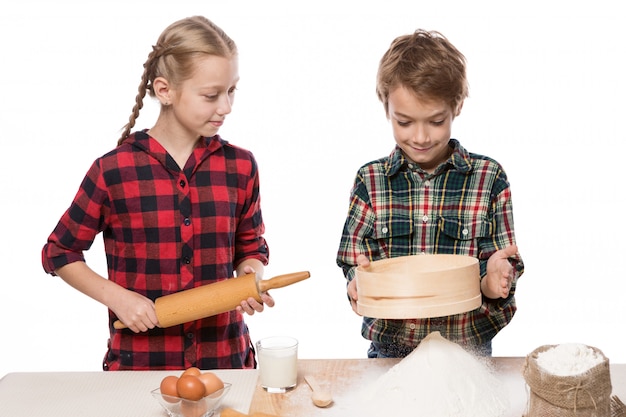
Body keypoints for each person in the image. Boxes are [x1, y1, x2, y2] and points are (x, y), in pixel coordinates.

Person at [42, 16, 273, 370]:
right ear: (164, 90)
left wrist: (249, 276)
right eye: (211, 95)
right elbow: (60, 251)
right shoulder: (113, 171)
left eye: (232, 91)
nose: (226, 107)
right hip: (142, 366)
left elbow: (251, 245)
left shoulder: (240, 166)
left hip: (226, 362)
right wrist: (118, 299)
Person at [336, 29, 524, 358]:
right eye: (404, 122)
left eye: (436, 121)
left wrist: (494, 282)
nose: (421, 136)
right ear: (386, 109)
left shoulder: (488, 177)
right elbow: (354, 259)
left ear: (457, 106)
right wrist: (357, 282)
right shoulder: (371, 180)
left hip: (467, 350)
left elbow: (498, 264)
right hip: (392, 349)